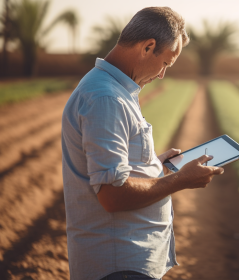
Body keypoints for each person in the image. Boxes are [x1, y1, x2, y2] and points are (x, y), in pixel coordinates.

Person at [61, 7, 224, 280]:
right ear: (148, 47)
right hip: (120, 263)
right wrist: (181, 180)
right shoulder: (107, 99)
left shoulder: (113, 90)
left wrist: (154, 167)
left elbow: (114, 170)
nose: (162, 75)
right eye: (166, 64)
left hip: (125, 261)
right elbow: (113, 195)